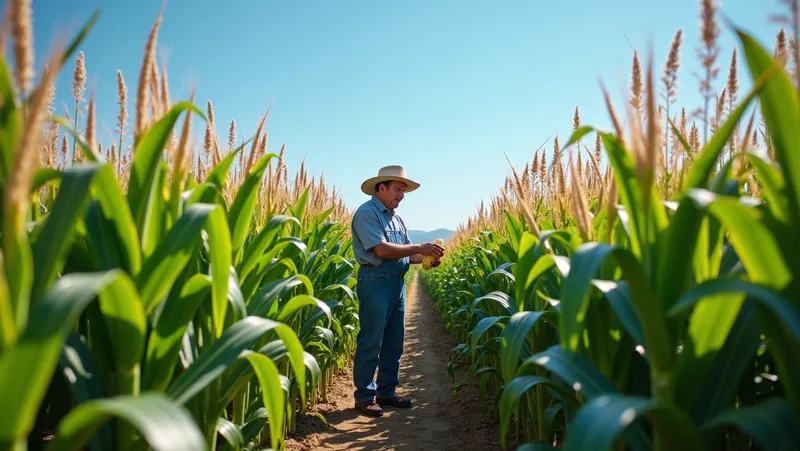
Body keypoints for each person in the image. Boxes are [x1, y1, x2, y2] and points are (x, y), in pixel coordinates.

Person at [349, 164, 446, 417]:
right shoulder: (366, 213)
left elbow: (407, 254)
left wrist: (427, 257)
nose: (402, 195)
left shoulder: (397, 218)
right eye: (398, 190)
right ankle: (364, 397)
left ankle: (386, 392)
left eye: (403, 190)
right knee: (371, 340)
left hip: (397, 283)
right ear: (381, 188)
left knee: (394, 342)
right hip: (376, 281)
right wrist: (420, 247)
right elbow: (381, 250)